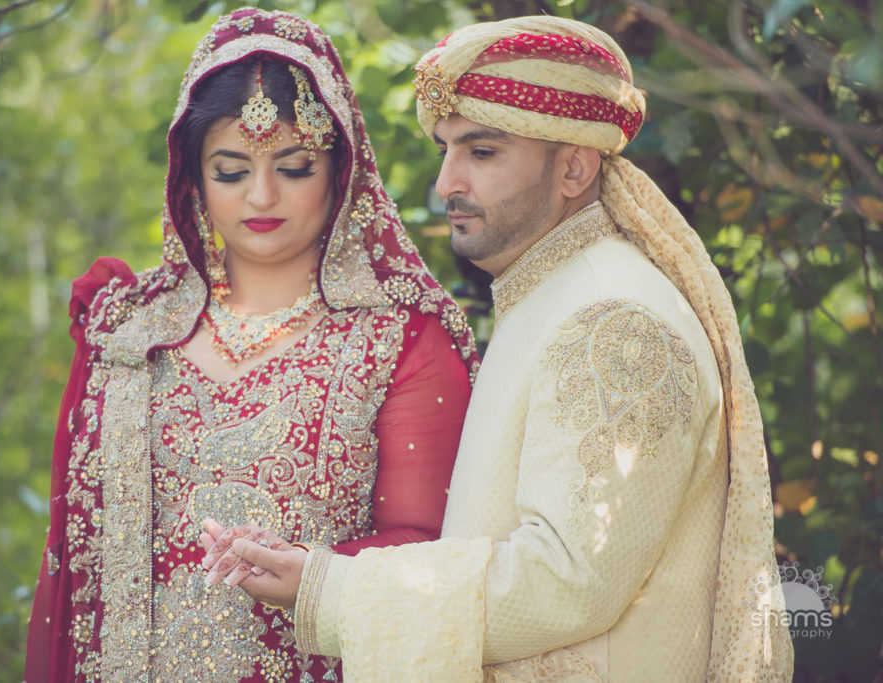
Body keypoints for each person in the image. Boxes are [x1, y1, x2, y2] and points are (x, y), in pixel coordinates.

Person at [201, 15, 794, 681]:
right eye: (446, 150)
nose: (447, 183)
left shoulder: (613, 319)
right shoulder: (553, 296)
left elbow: (569, 580)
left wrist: (327, 586)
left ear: (574, 168)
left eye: (481, 153)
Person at [23, 8, 479, 681]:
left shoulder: (400, 338)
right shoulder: (126, 330)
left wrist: (314, 575)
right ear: (192, 179)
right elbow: (73, 564)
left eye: (293, 167)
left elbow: (431, 553)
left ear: (340, 170)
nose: (261, 196)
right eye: (231, 171)